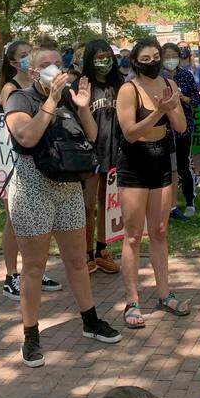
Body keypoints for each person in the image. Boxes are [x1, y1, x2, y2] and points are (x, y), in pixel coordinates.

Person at [4, 45, 122, 367]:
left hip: (68, 187)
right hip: (32, 188)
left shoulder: (71, 97)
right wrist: (52, 100)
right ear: (32, 70)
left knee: (77, 261)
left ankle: (90, 320)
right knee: (33, 266)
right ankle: (30, 335)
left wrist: (83, 108)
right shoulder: (20, 99)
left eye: (58, 63)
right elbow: (26, 137)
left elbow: (94, 135)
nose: (54, 68)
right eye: (46, 64)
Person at [115, 38, 190, 329]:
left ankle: (164, 293)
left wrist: (171, 107)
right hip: (135, 162)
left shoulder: (168, 86)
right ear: (135, 61)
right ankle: (132, 301)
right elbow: (130, 133)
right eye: (145, 58)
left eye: (156, 56)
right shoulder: (128, 89)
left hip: (161, 160)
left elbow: (181, 127)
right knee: (133, 235)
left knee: (159, 230)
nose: (152, 61)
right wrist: (160, 112)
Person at [0, 40, 62, 299]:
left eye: (29, 54)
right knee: (14, 221)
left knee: (37, 225)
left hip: (42, 160)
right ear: (14, 62)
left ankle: (35, 269)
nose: (26, 59)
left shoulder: (47, 87)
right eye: (22, 56)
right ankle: (11, 275)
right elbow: (16, 127)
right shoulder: (11, 89)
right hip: (14, 158)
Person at [80, 39, 124, 275]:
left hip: (114, 151)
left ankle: (102, 249)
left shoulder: (119, 83)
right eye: (98, 56)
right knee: (88, 205)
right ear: (89, 59)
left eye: (107, 55)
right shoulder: (83, 84)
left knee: (108, 204)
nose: (104, 60)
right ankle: (86, 252)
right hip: (90, 154)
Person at [160, 43, 200, 220]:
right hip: (163, 128)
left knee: (183, 165)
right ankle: (167, 205)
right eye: (166, 56)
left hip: (184, 127)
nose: (170, 60)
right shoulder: (158, 77)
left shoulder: (186, 75)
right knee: (167, 167)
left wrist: (183, 98)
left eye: (173, 56)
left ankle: (190, 201)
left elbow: (196, 99)